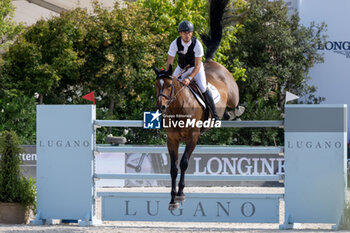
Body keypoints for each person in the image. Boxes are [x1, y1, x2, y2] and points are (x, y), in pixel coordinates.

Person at [165, 20, 219, 121]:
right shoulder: (174, 44)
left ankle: (215, 114)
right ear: (180, 33)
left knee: (203, 87)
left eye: (189, 32)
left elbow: (198, 65)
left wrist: (189, 78)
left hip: (196, 69)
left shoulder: (197, 44)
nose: (187, 35)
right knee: (169, 86)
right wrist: (167, 75)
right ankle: (165, 112)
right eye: (185, 33)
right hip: (181, 68)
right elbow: (169, 63)